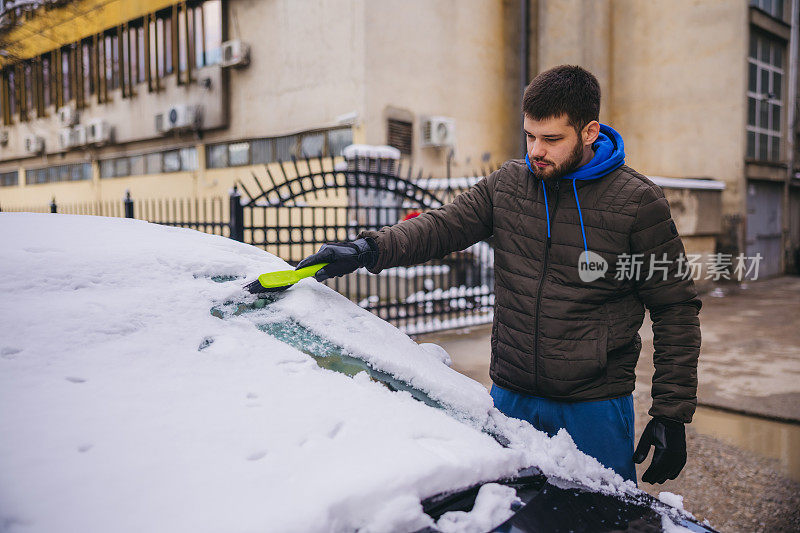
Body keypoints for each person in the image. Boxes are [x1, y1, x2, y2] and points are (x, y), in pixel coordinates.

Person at [296, 65, 701, 485]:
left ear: (589, 132)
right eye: (529, 136)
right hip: (511, 396)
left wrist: (671, 412)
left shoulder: (637, 202)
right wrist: (369, 248)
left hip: (593, 404)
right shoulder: (509, 185)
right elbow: (441, 226)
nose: (536, 151)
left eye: (551, 139)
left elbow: (676, 308)